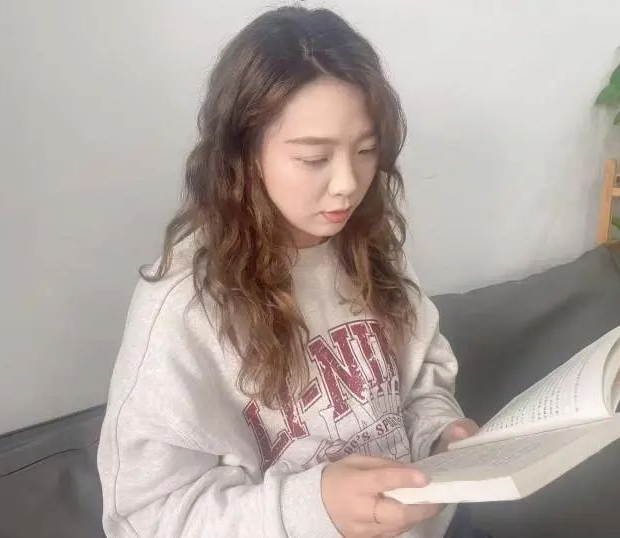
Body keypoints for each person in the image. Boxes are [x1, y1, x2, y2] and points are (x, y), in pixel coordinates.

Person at [97, 5, 489, 537]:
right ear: (244, 155)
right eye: (313, 158)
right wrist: (313, 507)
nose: (348, 183)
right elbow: (145, 516)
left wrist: (442, 437)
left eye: (366, 150)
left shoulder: (374, 248)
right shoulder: (186, 303)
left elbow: (420, 388)